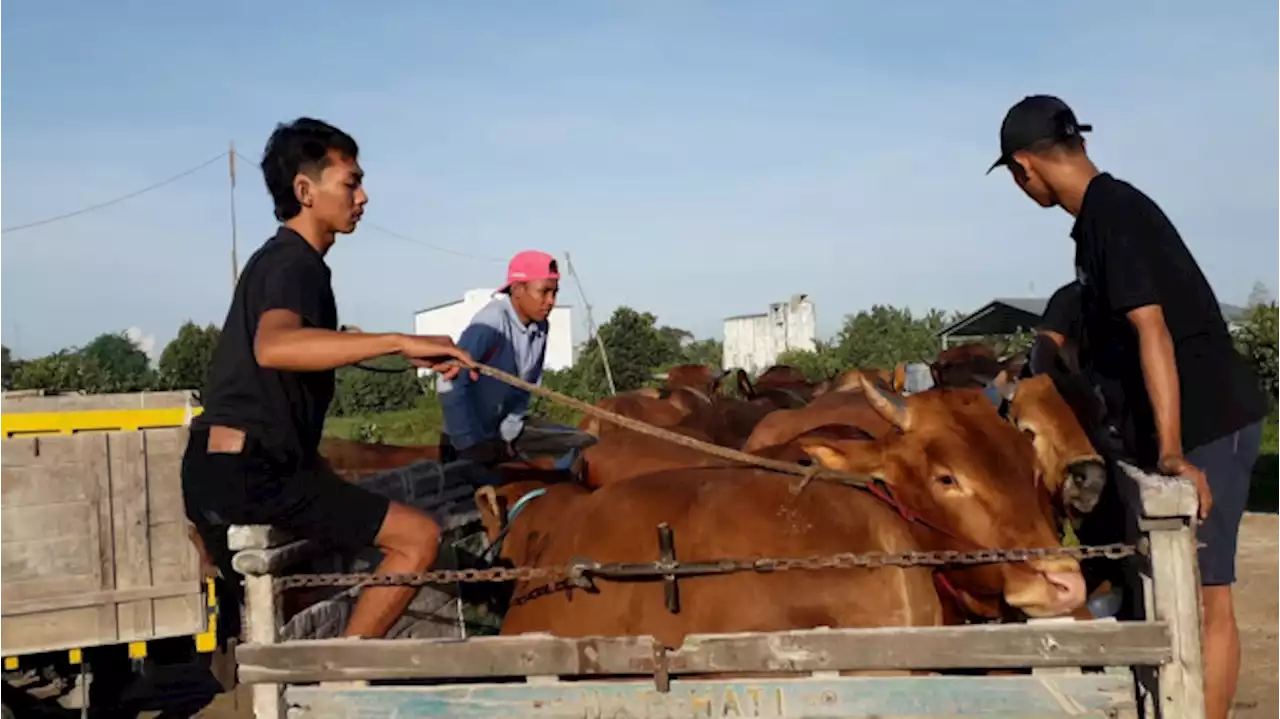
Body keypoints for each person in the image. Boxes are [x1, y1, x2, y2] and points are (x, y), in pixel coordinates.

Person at [989, 94, 1267, 719]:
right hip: (1175, 421)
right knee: (1165, 589)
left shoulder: (1114, 213)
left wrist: (1170, 452)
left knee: (1203, 598)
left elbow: (1152, 328)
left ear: (1024, 167)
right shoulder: (1093, 223)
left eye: (1015, 177)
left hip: (1207, 420)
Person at [183, 117, 477, 641]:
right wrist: (398, 341)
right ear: (305, 190)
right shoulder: (296, 265)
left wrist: (395, 355)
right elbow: (275, 346)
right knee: (417, 538)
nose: (363, 197)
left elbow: (292, 362)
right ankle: (339, 676)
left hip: (224, 467)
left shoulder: (278, 262)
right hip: (251, 474)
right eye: (351, 182)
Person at [438, 250, 592, 467]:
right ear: (518, 290)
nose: (551, 301)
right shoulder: (491, 323)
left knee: (588, 445)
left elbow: (525, 388)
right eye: (544, 292)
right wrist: (468, 444)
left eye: (555, 293)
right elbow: (448, 382)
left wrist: (508, 436)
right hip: (466, 440)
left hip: (503, 433)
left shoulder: (540, 327)